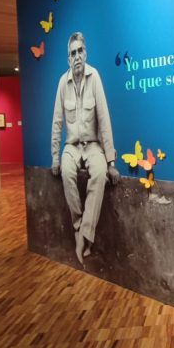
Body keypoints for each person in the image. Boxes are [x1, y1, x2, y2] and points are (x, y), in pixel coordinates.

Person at [51, 31, 120, 265]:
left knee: (99, 174)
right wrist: (55, 157)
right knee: (67, 173)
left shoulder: (95, 77)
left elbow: (104, 119)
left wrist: (110, 161)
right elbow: (57, 122)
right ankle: (79, 228)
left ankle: (84, 234)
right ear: (68, 59)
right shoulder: (63, 82)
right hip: (71, 147)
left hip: (92, 146)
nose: (77, 56)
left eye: (80, 51)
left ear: (86, 53)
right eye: (73, 53)